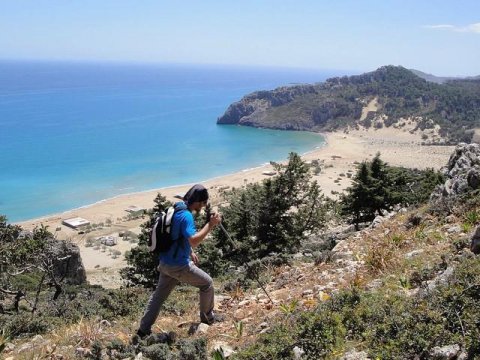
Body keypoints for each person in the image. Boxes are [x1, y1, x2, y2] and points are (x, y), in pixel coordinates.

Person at [135, 184, 223, 339]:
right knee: (207, 284)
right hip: (178, 266)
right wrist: (210, 225)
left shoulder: (177, 208)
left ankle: (143, 331)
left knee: (158, 297)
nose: (202, 208)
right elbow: (194, 240)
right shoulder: (187, 216)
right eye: (202, 204)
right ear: (197, 202)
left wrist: (189, 251)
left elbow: (176, 235)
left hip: (165, 263)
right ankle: (207, 319)